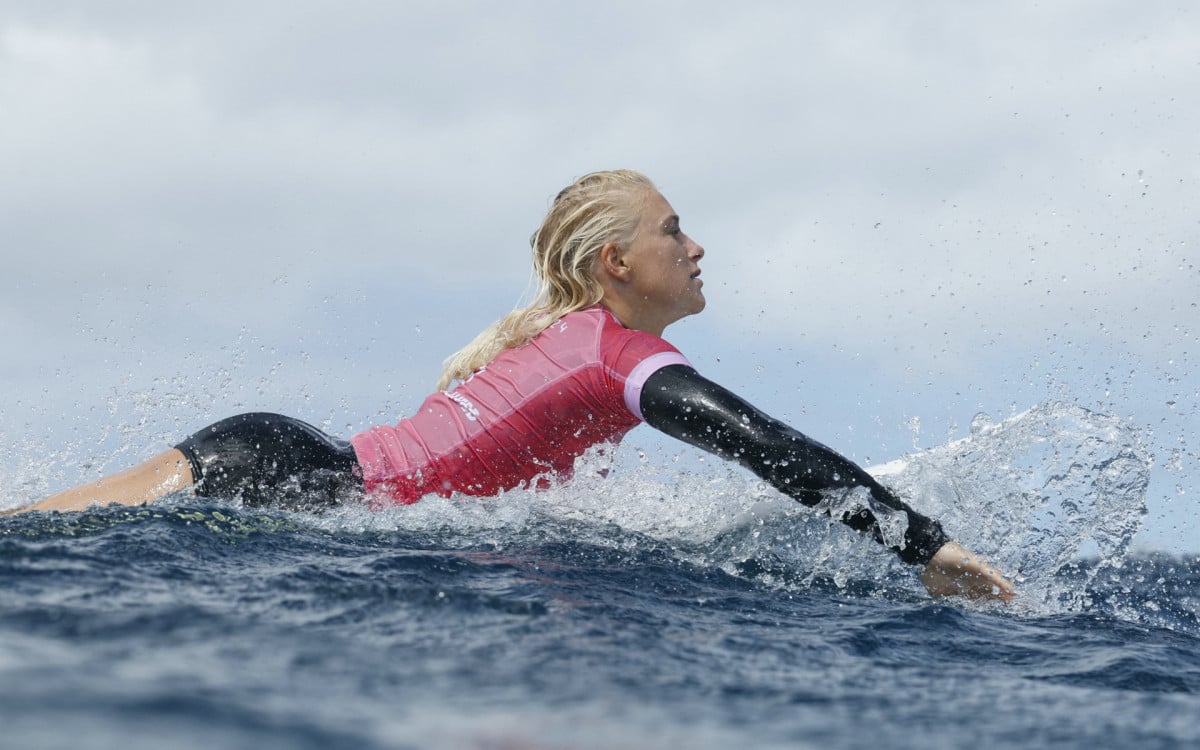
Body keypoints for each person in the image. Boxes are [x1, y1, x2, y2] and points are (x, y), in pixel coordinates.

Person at [5, 170, 1015, 601]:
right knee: (30, 546)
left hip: (278, 455)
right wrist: (929, 544)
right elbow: (767, 446)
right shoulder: (624, 362)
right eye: (673, 230)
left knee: (30, 535)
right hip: (296, 477)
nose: (698, 246)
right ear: (616, 262)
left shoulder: (576, 336)